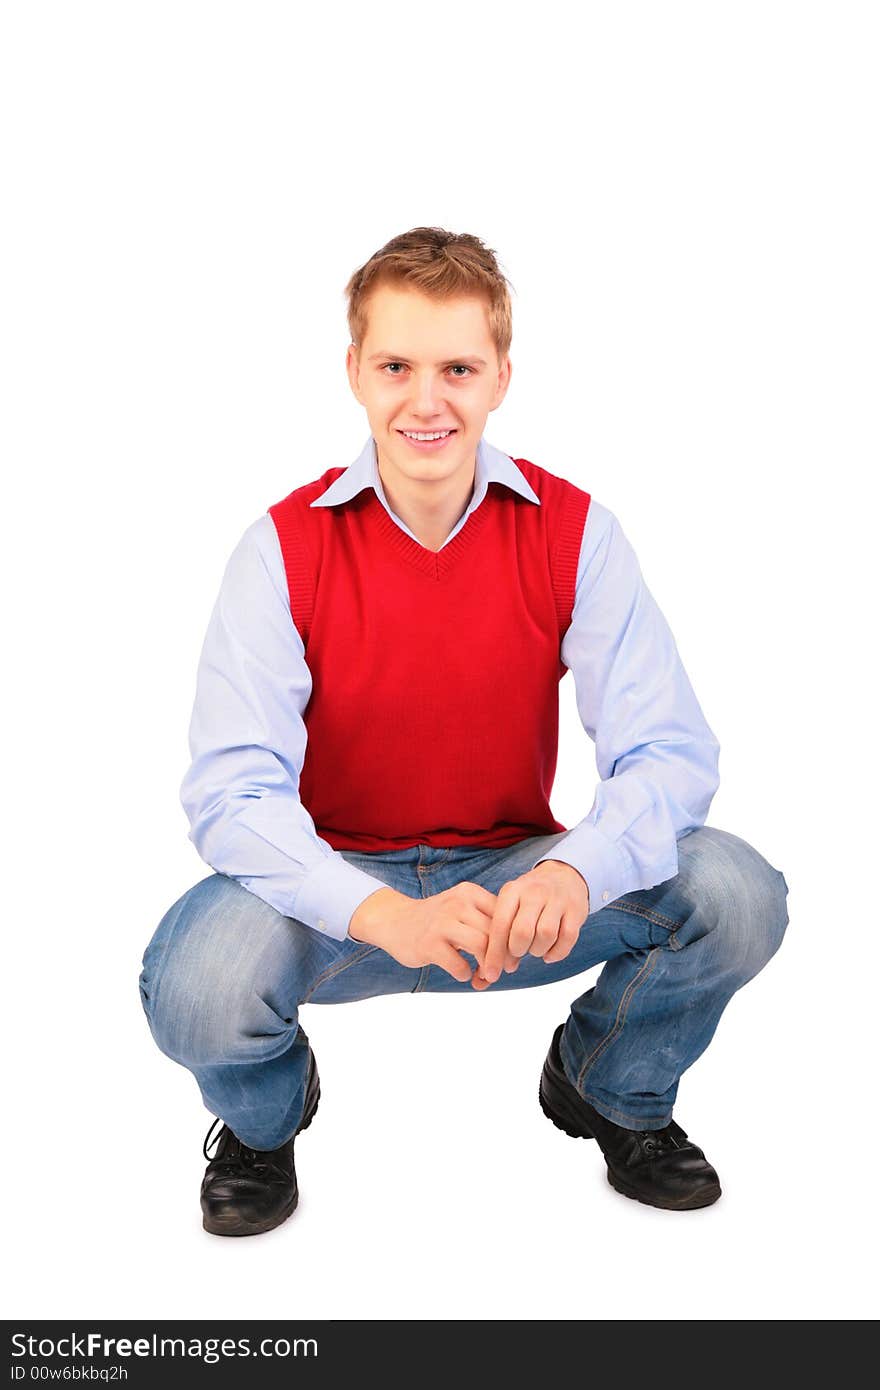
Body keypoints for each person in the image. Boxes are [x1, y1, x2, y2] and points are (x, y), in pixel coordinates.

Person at [138, 226, 790, 1236]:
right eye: (396, 365)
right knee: (198, 978)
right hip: (335, 898)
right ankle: (265, 1119)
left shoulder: (574, 531)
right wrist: (380, 914)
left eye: (457, 368)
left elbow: (666, 749)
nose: (426, 399)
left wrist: (572, 872)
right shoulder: (282, 545)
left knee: (736, 890)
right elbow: (233, 794)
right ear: (354, 371)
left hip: (512, 887)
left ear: (500, 379)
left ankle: (608, 1084)